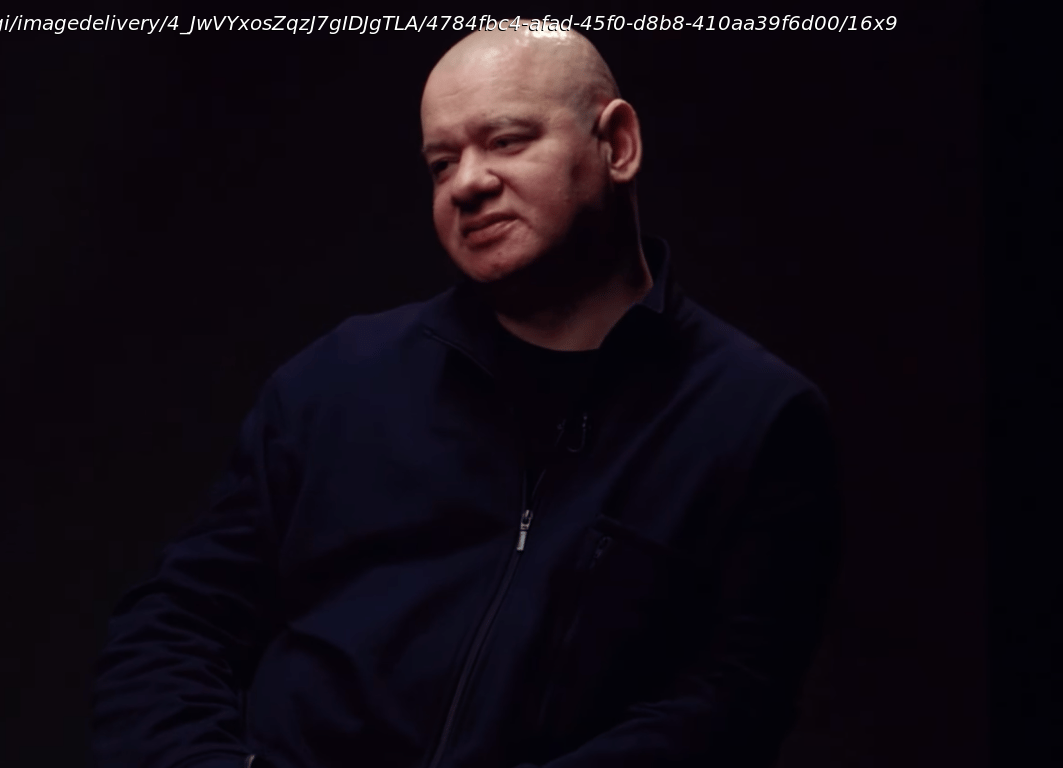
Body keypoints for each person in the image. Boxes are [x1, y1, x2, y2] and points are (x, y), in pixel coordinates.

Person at [92, 26, 842, 768]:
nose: (467, 183)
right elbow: (174, 622)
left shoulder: (757, 418)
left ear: (617, 145)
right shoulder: (339, 376)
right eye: (441, 162)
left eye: (507, 141)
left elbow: (729, 706)